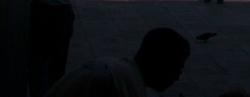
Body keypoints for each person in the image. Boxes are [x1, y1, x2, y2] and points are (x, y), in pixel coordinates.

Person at [45, 27, 190, 96]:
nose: (177, 77)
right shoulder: (125, 86)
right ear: (158, 66)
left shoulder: (118, 68)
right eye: (176, 69)